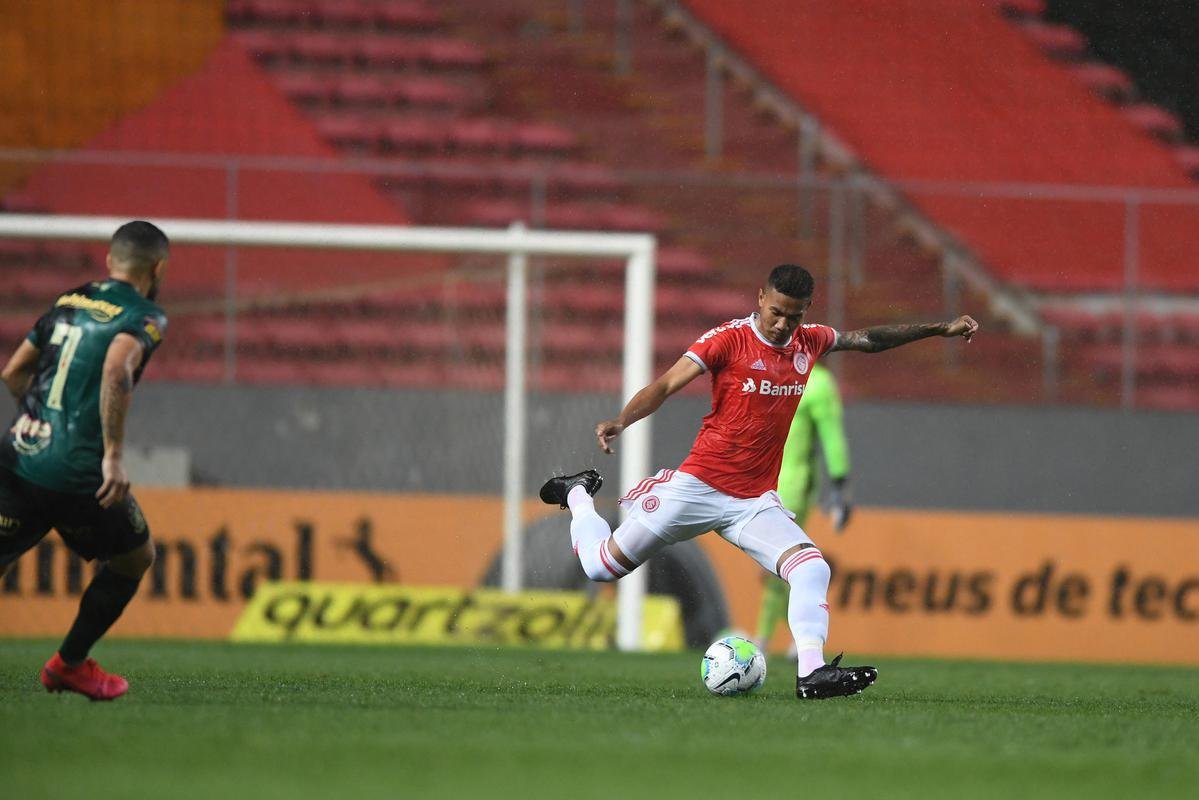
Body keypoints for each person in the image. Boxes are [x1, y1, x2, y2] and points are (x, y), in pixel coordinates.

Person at [540, 264, 977, 700]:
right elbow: (668, 383)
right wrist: (621, 420)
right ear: (760, 298)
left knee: (811, 568)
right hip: (697, 488)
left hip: (752, 501)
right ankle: (577, 492)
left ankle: (812, 673)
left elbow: (868, 339)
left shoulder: (812, 340)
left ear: (806, 311)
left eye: (795, 316)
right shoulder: (727, 340)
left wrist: (940, 329)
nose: (784, 324)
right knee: (600, 568)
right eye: (776, 312)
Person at [0, 220, 169, 701]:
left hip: (18, 455)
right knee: (136, 558)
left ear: (109, 260)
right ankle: (68, 664)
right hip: (79, 474)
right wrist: (113, 456)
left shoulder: (68, 301)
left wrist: (40, 425)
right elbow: (117, 369)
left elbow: (14, 371)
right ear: (156, 269)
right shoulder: (145, 314)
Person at [756, 361, 851, 652]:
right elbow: (832, 436)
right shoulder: (813, 381)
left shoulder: (796, 379)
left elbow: (830, 436)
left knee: (780, 565)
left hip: (780, 485)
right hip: (775, 483)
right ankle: (794, 636)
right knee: (779, 566)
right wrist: (839, 486)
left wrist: (838, 486)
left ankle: (765, 639)